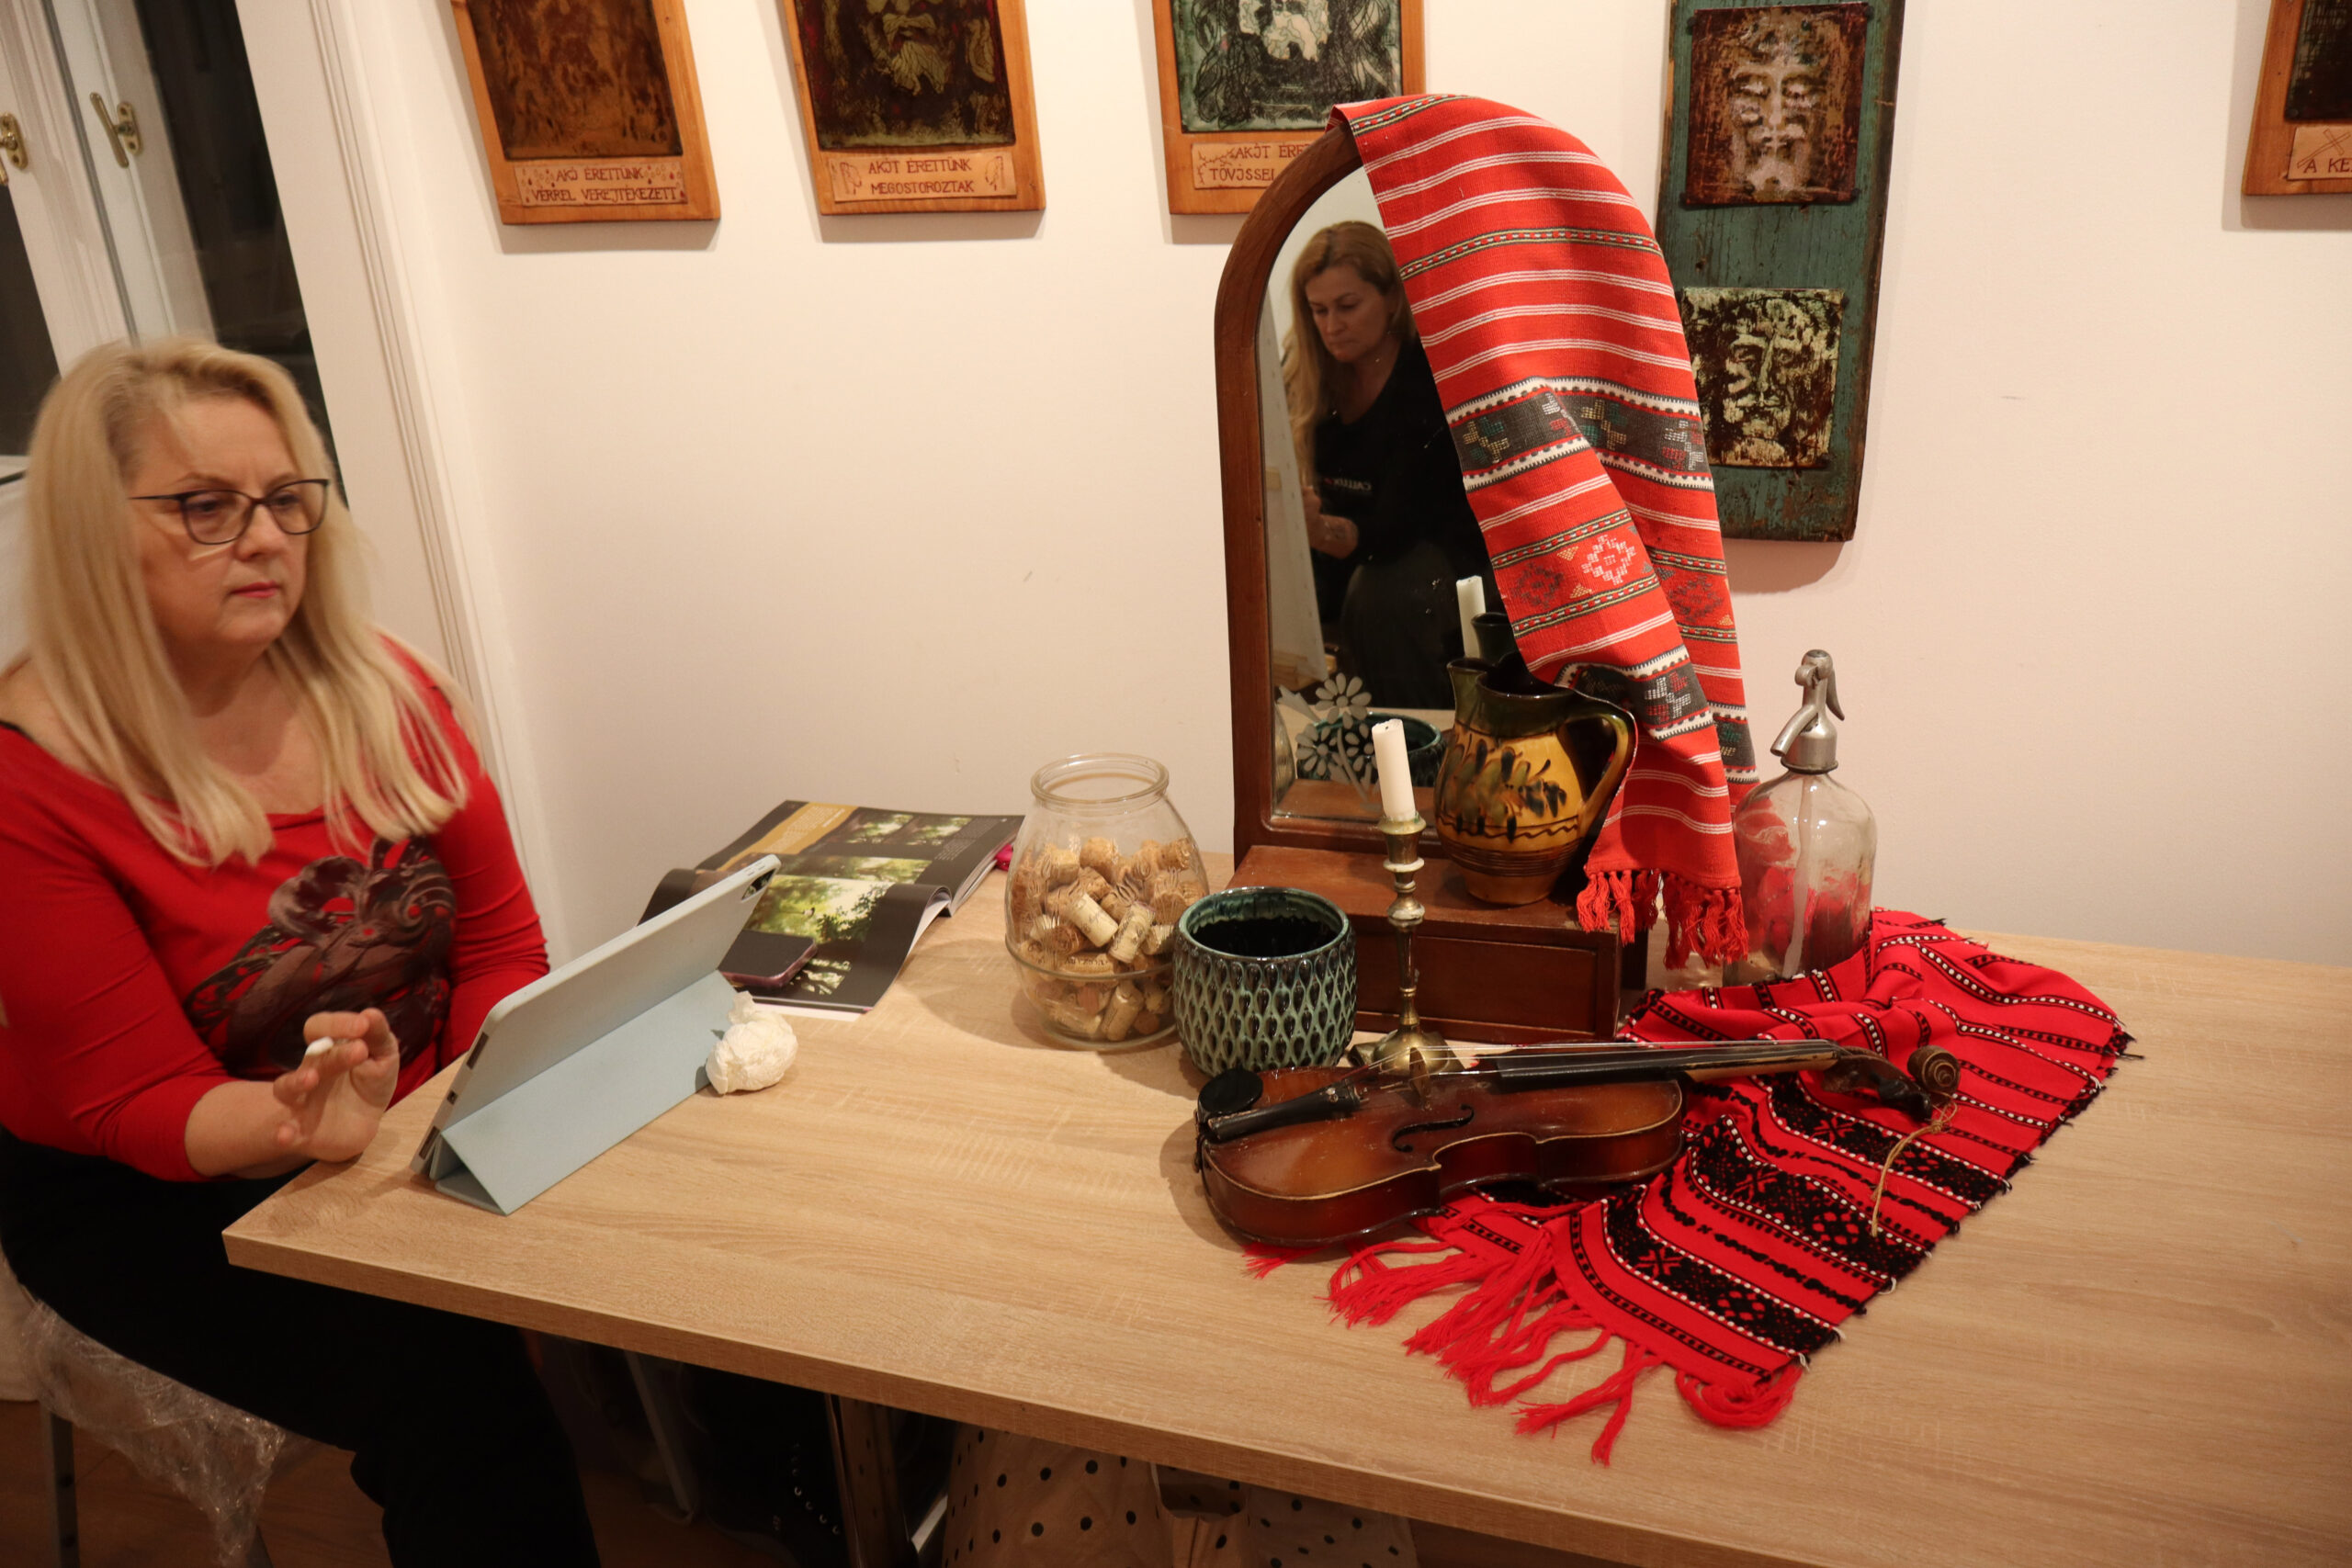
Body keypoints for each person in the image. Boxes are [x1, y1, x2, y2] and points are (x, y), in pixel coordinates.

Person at [0, 339, 600, 1566]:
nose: (266, 538)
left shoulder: (382, 685)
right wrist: (302, 1124)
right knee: (447, 1385)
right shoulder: (32, 782)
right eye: (205, 507)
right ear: (92, 534)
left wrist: (465, 1104)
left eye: (284, 498)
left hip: (400, 1118)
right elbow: (136, 1101)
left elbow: (499, 941)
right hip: (153, 1188)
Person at [1281, 220, 1492, 710]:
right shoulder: (1304, 379)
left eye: (1348, 306)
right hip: (1348, 565)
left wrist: (1317, 530)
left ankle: (1414, 735)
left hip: (1430, 565)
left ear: (1393, 299)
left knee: (1379, 594)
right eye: (1318, 310)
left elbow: (1400, 527)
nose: (1332, 326)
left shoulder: (1429, 379)